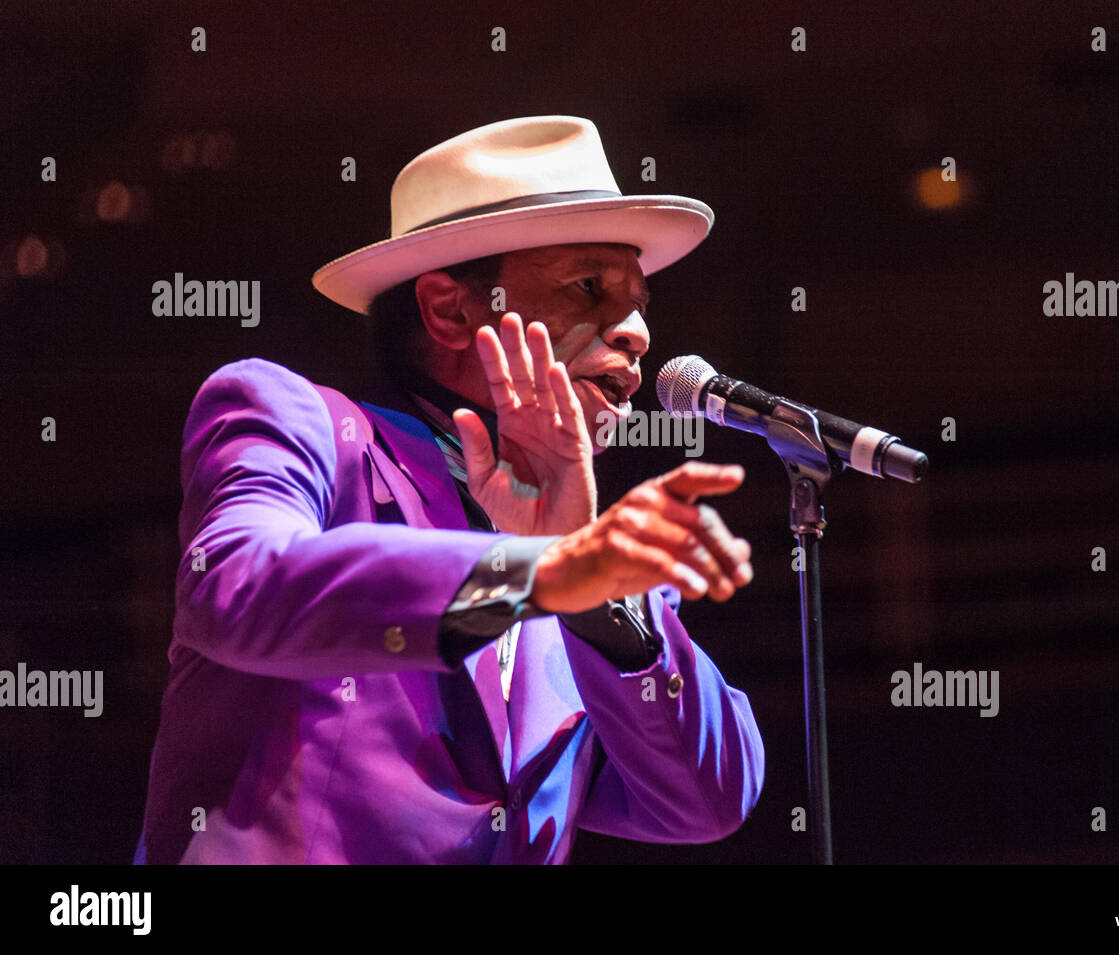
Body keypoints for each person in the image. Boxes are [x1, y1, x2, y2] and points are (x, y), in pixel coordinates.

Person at [133, 115, 765, 864]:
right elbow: (234, 588)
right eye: (589, 286)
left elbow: (707, 802)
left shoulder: (596, 572)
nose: (635, 332)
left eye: (638, 303)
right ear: (451, 310)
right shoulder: (299, 421)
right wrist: (541, 575)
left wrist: (583, 586)